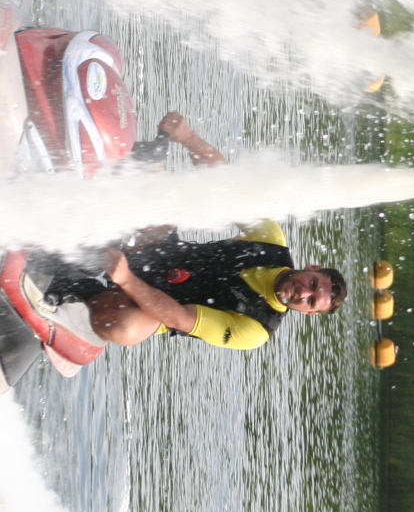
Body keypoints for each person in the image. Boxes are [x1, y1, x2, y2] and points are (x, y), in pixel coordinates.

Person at [42, 112, 347, 351]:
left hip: (152, 305)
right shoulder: (271, 243)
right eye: (312, 284)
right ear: (312, 268)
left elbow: (179, 317)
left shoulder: (255, 330)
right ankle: (81, 176)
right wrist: (188, 137)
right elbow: (227, 187)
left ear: (308, 313)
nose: (303, 293)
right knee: (173, 196)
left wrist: (126, 279)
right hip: (160, 251)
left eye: (310, 301)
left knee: (125, 328)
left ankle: (80, 292)